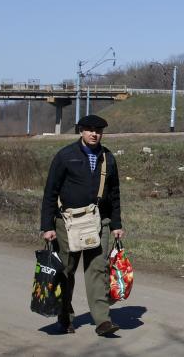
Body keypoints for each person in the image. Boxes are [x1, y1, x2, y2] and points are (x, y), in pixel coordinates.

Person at [40, 114, 125, 336]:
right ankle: (64, 317)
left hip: (100, 222)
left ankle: (103, 321)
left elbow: (115, 194)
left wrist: (116, 223)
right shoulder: (65, 156)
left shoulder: (108, 157)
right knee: (67, 270)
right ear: (80, 131)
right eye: (89, 130)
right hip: (68, 223)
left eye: (98, 130)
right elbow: (50, 192)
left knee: (98, 268)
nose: (94, 134)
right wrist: (47, 226)